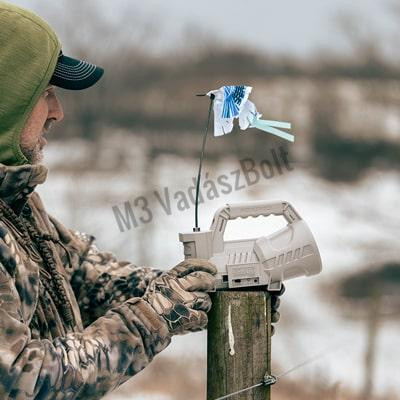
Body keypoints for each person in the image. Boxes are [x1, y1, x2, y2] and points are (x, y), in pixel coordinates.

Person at [0, 2, 282, 399]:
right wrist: (152, 316)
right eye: (45, 93)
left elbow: (79, 275)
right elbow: (18, 380)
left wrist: (194, 290)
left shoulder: (15, 200)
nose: (57, 112)